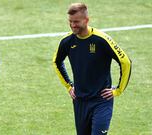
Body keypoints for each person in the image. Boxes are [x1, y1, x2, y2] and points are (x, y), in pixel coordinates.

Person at [53, 3, 131, 135]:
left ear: (86, 20)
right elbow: (56, 62)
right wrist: (69, 85)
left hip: (102, 101)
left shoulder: (102, 39)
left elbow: (126, 62)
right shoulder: (67, 41)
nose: (73, 25)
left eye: (76, 22)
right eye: (70, 22)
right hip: (80, 101)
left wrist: (118, 90)